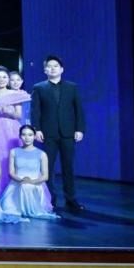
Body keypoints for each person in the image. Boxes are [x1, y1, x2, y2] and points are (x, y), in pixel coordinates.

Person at [30, 55, 86, 213]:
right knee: (48, 167)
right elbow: (35, 111)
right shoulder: (39, 87)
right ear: (45, 70)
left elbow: (79, 110)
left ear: (62, 69)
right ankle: (50, 199)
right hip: (48, 133)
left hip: (68, 132)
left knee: (69, 167)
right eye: (49, 66)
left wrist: (80, 129)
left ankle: (71, 199)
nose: (53, 68)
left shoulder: (72, 87)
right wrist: (37, 129)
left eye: (56, 66)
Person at [1, 124, 59, 220]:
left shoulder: (42, 154)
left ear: (35, 136)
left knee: (27, 187)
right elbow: (11, 172)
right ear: (20, 136)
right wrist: (21, 180)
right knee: (10, 206)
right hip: (17, 184)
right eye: (24, 135)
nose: (27, 138)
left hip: (35, 184)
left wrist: (31, 182)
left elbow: (45, 176)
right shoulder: (14, 152)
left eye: (30, 135)